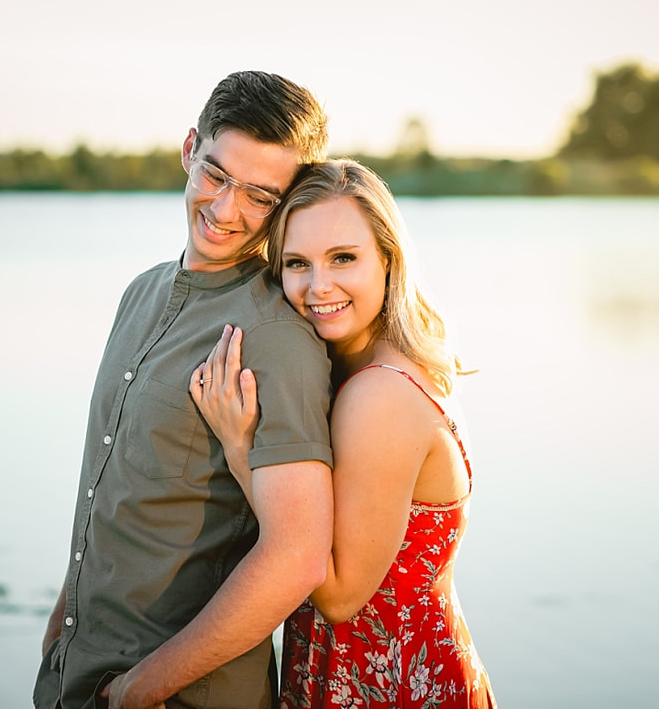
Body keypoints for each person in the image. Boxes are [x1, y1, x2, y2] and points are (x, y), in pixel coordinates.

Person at [32, 71, 336, 709]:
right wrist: (63, 618)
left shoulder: (276, 335)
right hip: (75, 675)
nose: (227, 211)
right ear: (189, 148)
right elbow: (110, 481)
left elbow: (299, 555)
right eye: (217, 175)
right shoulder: (139, 292)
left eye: (260, 196)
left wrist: (144, 686)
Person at [191, 160, 496, 707]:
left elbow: (337, 596)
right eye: (297, 263)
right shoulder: (375, 368)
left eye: (343, 259)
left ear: (387, 258)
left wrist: (242, 448)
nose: (318, 286)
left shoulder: (379, 395)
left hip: (389, 685)